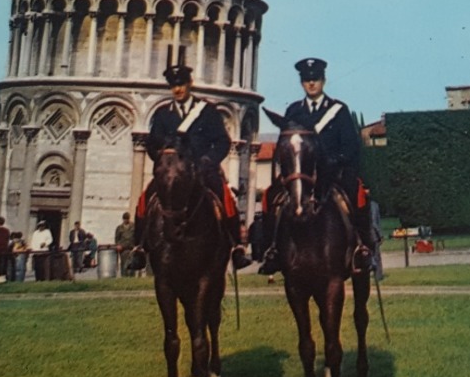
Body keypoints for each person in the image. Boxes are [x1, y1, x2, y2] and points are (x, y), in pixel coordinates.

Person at [130, 61, 251, 272]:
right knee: (144, 199)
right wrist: (161, 159)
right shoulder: (162, 114)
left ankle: (236, 247)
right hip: (173, 172)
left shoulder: (206, 111)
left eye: (181, 84)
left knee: (225, 197)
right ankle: (139, 247)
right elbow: (152, 144)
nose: (177, 89)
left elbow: (222, 141)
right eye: (173, 85)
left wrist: (208, 160)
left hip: (202, 171)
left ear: (189, 84)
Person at [260, 56, 374, 275]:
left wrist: (334, 160)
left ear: (323, 81)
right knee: (271, 196)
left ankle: (363, 247)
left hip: (333, 174)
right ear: (302, 82)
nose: (311, 83)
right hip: (302, 173)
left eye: (315, 79)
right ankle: (271, 249)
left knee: (356, 193)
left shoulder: (338, 110)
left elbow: (351, 147)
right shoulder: (293, 111)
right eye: (306, 79)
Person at [114, 211, 136, 276]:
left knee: (132, 264)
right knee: (124, 264)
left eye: (127, 219)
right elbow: (117, 238)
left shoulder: (133, 226)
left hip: (132, 248)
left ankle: (132, 278)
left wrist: (136, 246)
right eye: (125, 219)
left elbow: (137, 236)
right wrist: (118, 245)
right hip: (123, 249)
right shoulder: (119, 228)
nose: (126, 220)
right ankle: (124, 276)